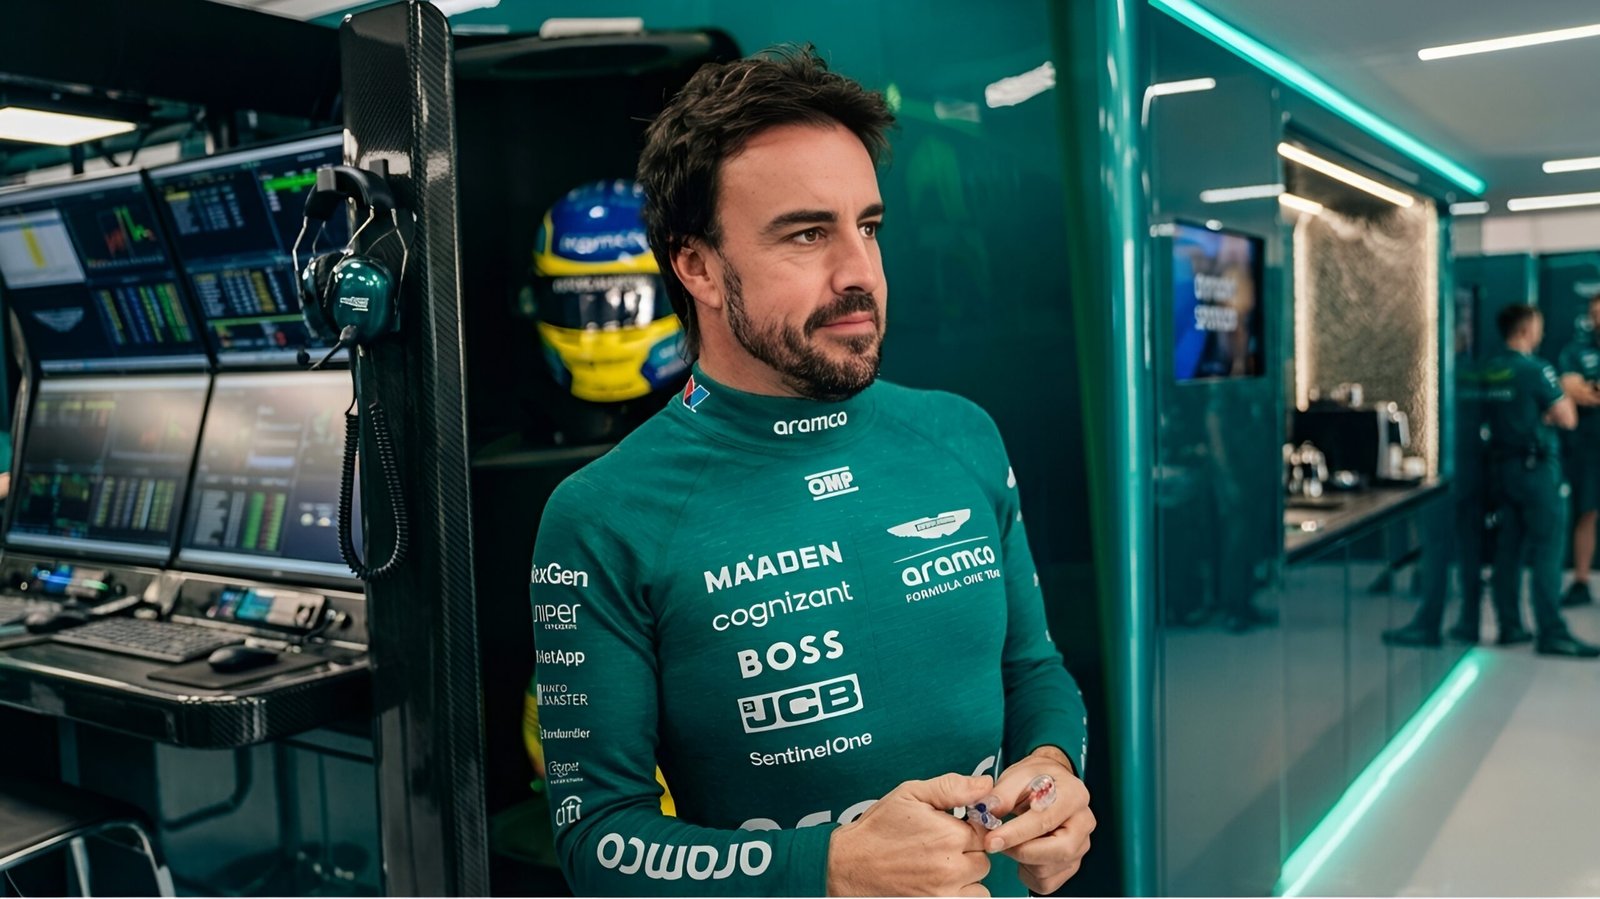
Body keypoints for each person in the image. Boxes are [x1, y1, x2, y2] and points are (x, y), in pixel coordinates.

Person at [528, 46, 1093, 896]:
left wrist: (1052, 772)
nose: (858, 273)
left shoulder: (961, 435)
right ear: (698, 266)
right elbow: (597, 842)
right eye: (806, 233)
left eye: (867, 226)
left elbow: (1031, 667)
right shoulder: (603, 515)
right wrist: (828, 867)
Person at [1482, 304, 1600, 658]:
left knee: (1509, 551)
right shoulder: (1537, 369)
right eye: (1538, 326)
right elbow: (1567, 417)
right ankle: (1552, 632)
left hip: (1503, 470)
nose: (1542, 333)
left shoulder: (1490, 370)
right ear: (1526, 329)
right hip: (1537, 472)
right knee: (1548, 551)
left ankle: (1510, 625)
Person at [1557, 293, 1600, 608]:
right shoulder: (1575, 350)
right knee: (1586, 511)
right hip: (1587, 446)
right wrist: (1586, 391)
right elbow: (1572, 391)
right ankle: (1581, 581)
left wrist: (1590, 388)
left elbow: (1586, 390)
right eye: (1594, 313)